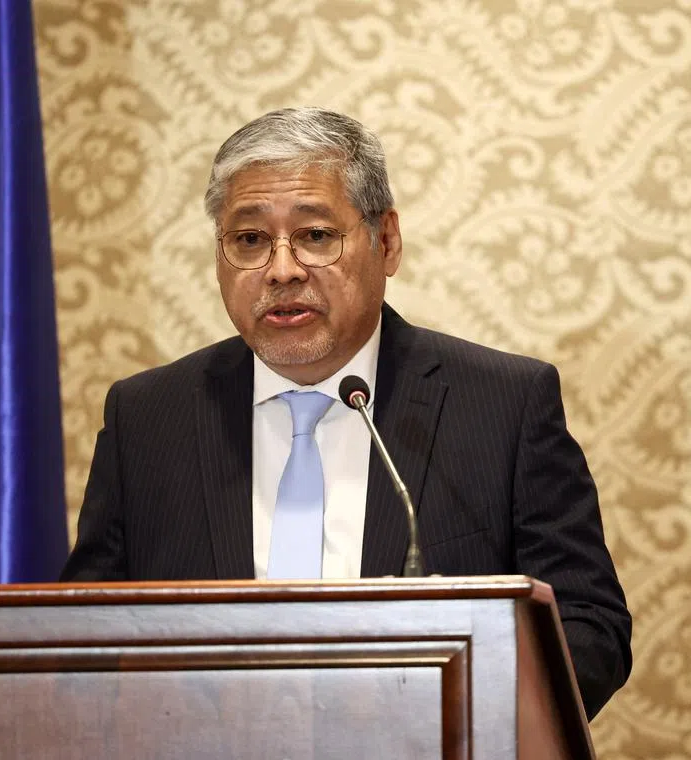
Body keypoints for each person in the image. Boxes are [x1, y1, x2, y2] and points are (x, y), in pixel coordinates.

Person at [60, 107, 632, 718]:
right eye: (250, 240)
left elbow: (588, 627)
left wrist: (460, 719)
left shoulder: (503, 402)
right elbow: (84, 634)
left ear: (386, 242)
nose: (281, 270)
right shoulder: (147, 418)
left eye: (315, 236)